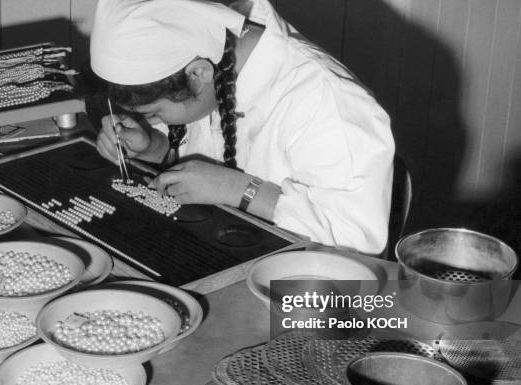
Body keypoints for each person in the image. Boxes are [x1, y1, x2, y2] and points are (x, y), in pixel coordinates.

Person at [91, 0, 394, 255]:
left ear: (198, 74)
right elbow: (204, 165)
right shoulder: (215, 64)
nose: (156, 122)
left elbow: (356, 244)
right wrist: (155, 148)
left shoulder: (327, 101)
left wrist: (241, 190)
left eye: (156, 113)